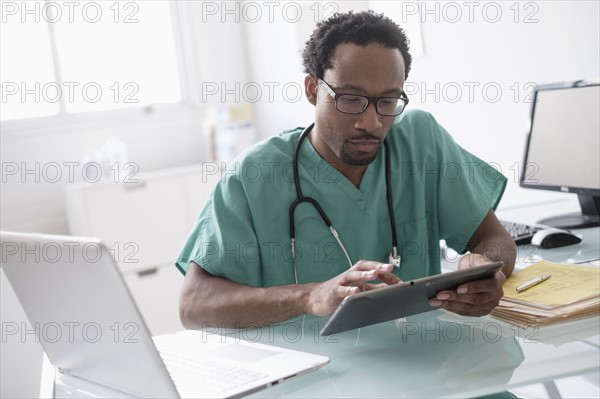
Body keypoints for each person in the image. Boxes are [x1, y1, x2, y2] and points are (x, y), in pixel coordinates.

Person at [176, 10, 516, 330]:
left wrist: (485, 271)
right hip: (316, 378)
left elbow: (494, 239)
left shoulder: (420, 141)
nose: (371, 122)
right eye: (350, 99)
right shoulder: (253, 176)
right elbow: (194, 304)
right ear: (313, 90)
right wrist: (309, 296)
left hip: (424, 361)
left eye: (388, 101)